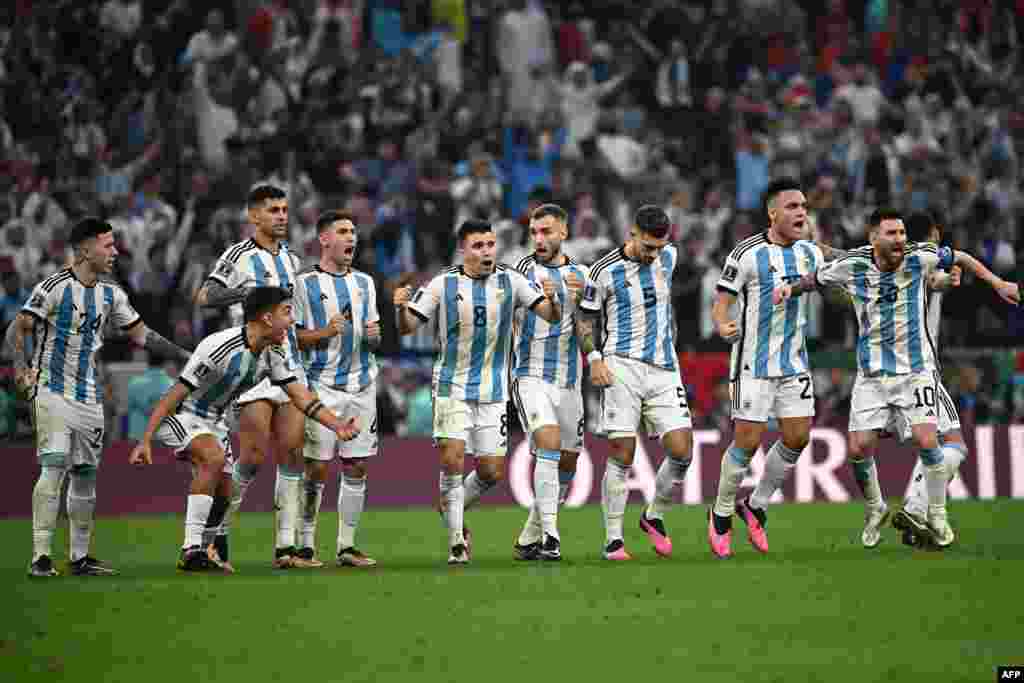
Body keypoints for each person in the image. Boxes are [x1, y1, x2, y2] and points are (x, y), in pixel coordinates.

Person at [776, 209, 1019, 549]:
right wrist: (790, 288)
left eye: (903, 233)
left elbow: (955, 259)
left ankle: (932, 513)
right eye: (892, 234)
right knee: (860, 447)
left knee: (933, 441)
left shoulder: (920, 258)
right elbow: (818, 277)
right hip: (873, 375)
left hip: (916, 371)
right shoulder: (857, 264)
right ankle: (881, 508)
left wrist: (998, 284)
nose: (901, 240)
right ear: (874, 237)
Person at [5, 217, 191, 577]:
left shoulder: (111, 293)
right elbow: (19, 326)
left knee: (85, 473)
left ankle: (79, 556)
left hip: (88, 395)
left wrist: (186, 355)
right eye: (108, 245)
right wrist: (19, 368)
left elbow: (143, 336)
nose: (115, 252)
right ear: (84, 249)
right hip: (51, 389)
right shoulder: (54, 287)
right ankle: (40, 556)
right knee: (54, 464)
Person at [129, 286, 359, 570]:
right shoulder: (219, 346)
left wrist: (337, 426)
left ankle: (206, 552)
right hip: (183, 415)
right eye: (286, 312)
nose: (291, 321)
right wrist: (146, 440)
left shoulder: (271, 355)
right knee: (212, 459)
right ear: (266, 318)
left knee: (225, 494)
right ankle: (190, 551)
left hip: (216, 421)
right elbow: (173, 395)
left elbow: (300, 396)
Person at [393, 219, 563, 565]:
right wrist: (400, 306)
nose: (486, 252)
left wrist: (553, 299)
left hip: (493, 390)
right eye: (478, 246)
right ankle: (456, 540)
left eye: (490, 245)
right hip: (451, 386)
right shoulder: (443, 284)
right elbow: (408, 327)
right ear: (463, 249)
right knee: (452, 459)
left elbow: (550, 316)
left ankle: (449, 504)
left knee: (490, 472)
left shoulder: (512, 281)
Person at [195, 184, 311, 569]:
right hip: (251, 368)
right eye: (273, 210)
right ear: (254, 216)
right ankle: (215, 536)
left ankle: (285, 548)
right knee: (255, 455)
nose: (281, 215)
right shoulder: (239, 256)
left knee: (294, 453)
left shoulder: (293, 261)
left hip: (289, 363)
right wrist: (245, 294)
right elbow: (205, 297)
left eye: (284, 209)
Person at [707, 179, 823, 558]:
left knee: (798, 437)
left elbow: (840, 264)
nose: (801, 212)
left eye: (803, 206)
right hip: (752, 364)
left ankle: (756, 504)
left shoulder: (810, 253)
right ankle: (721, 514)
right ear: (773, 213)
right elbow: (722, 302)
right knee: (747, 442)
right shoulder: (746, 253)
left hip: (794, 363)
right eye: (792, 206)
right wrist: (723, 324)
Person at [577, 205, 694, 561]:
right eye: (648, 247)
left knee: (682, 450)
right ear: (632, 234)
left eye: (659, 247)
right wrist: (593, 359)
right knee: (622, 452)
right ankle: (613, 540)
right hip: (620, 366)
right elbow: (585, 320)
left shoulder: (669, 258)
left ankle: (653, 514)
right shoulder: (603, 271)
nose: (653, 254)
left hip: (663, 368)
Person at [293, 211, 381, 568]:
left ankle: (346, 545)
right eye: (343, 232)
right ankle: (305, 543)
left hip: (362, 385)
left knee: (356, 465)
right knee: (316, 467)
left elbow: (372, 331)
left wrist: (375, 337)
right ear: (324, 239)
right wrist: (325, 334)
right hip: (321, 385)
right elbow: (293, 336)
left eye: (353, 232)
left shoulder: (365, 283)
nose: (351, 238)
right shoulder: (304, 285)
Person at [509, 204, 587, 562]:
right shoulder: (522, 271)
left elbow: (589, 327)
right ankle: (552, 537)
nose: (539, 238)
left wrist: (583, 297)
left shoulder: (582, 275)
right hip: (530, 375)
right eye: (534, 232)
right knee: (549, 444)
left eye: (546, 232)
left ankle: (530, 535)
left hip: (570, 381)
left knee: (568, 462)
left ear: (563, 233)